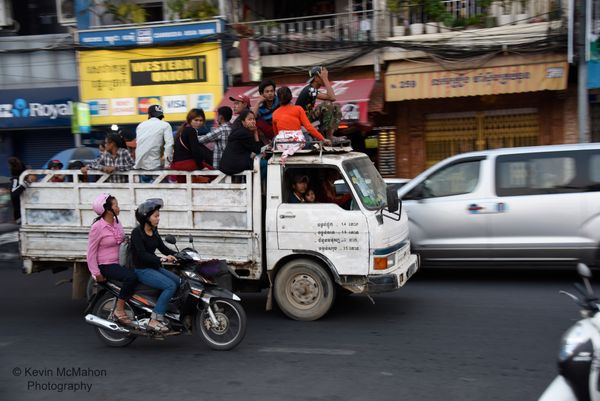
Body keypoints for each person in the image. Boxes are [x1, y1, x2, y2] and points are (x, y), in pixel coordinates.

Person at [87, 193, 137, 326]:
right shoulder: (97, 227)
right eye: (116, 205)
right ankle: (119, 310)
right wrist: (96, 273)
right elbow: (91, 253)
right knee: (130, 278)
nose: (118, 207)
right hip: (106, 265)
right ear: (108, 209)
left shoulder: (117, 223)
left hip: (120, 263)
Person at [130, 198, 179, 333]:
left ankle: (166, 310)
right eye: (156, 216)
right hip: (142, 270)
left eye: (158, 215)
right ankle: (155, 319)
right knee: (170, 286)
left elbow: (163, 248)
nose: (158, 218)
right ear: (146, 217)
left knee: (178, 281)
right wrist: (162, 259)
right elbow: (142, 255)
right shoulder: (137, 233)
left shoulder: (154, 230)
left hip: (153, 267)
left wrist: (180, 255)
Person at [295, 66, 341, 141]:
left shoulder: (313, 90)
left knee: (336, 107)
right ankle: (328, 136)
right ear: (316, 78)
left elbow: (331, 97)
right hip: (302, 121)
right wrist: (325, 79)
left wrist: (325, 78)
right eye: (322, 77)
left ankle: (330, 135)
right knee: (327, 104)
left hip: (308, 118)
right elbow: (332, 98)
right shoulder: (309, 90)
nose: (325, 78)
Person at [170, 108, 213, 180]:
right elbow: (195, 151)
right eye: (196, 120)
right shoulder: (191, 130)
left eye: (201, 120)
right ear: (190, 120)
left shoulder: (182, 130)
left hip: (176, 165)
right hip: (186, 164)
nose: (199, 123)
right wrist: (202, 167)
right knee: (215, 174)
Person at [219, 109, 263, 176]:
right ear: (243, 122)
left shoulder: (238, 131)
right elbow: (257, 150)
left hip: (226, 165)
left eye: (254, 119)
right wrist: (255, 133)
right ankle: (257, 186)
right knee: (265, 164)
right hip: (234, 167)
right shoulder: (245, 133)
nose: (253, 122)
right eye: (249, 119)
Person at [134, 105, 174, 174]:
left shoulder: (140, 125)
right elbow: (169, 145)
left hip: (139, 165)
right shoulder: (165, 125)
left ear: (149, 115)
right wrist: (167, 164)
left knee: (144, 185)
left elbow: (139, 144)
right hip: (155, 165)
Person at [8, 157, 28, 223]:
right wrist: (24, 185)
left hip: (26, 214)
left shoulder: (23, 181)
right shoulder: (16, 180)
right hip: (20, 216)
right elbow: (13, 193)